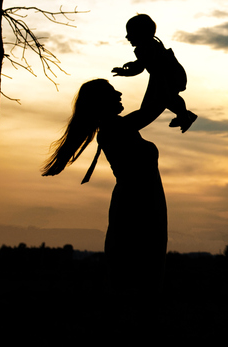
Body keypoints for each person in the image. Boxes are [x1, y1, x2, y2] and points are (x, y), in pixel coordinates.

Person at [42, 79, 168, 327]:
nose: (120, 92)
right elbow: (150, 110)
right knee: (137, 279)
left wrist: (157, 75)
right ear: (102, 102)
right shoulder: (114, 128)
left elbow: (147, 107)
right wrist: (164, 78)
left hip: (144, 204)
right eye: (112, 92)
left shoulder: (120, 127)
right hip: (136, 208)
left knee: (140, 279)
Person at [112, 14, 197, 132]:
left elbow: (142, 64)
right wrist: (129, 70)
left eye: (130, 32)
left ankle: (184, 115)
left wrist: (130, 69)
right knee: (161, 101)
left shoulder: (147, 47)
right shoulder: (148, 46)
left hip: (169, 77)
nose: (127, 36)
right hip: (160, 78)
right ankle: (185, 114)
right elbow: (143, 64)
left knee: (168, 98)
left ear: (141, 33)